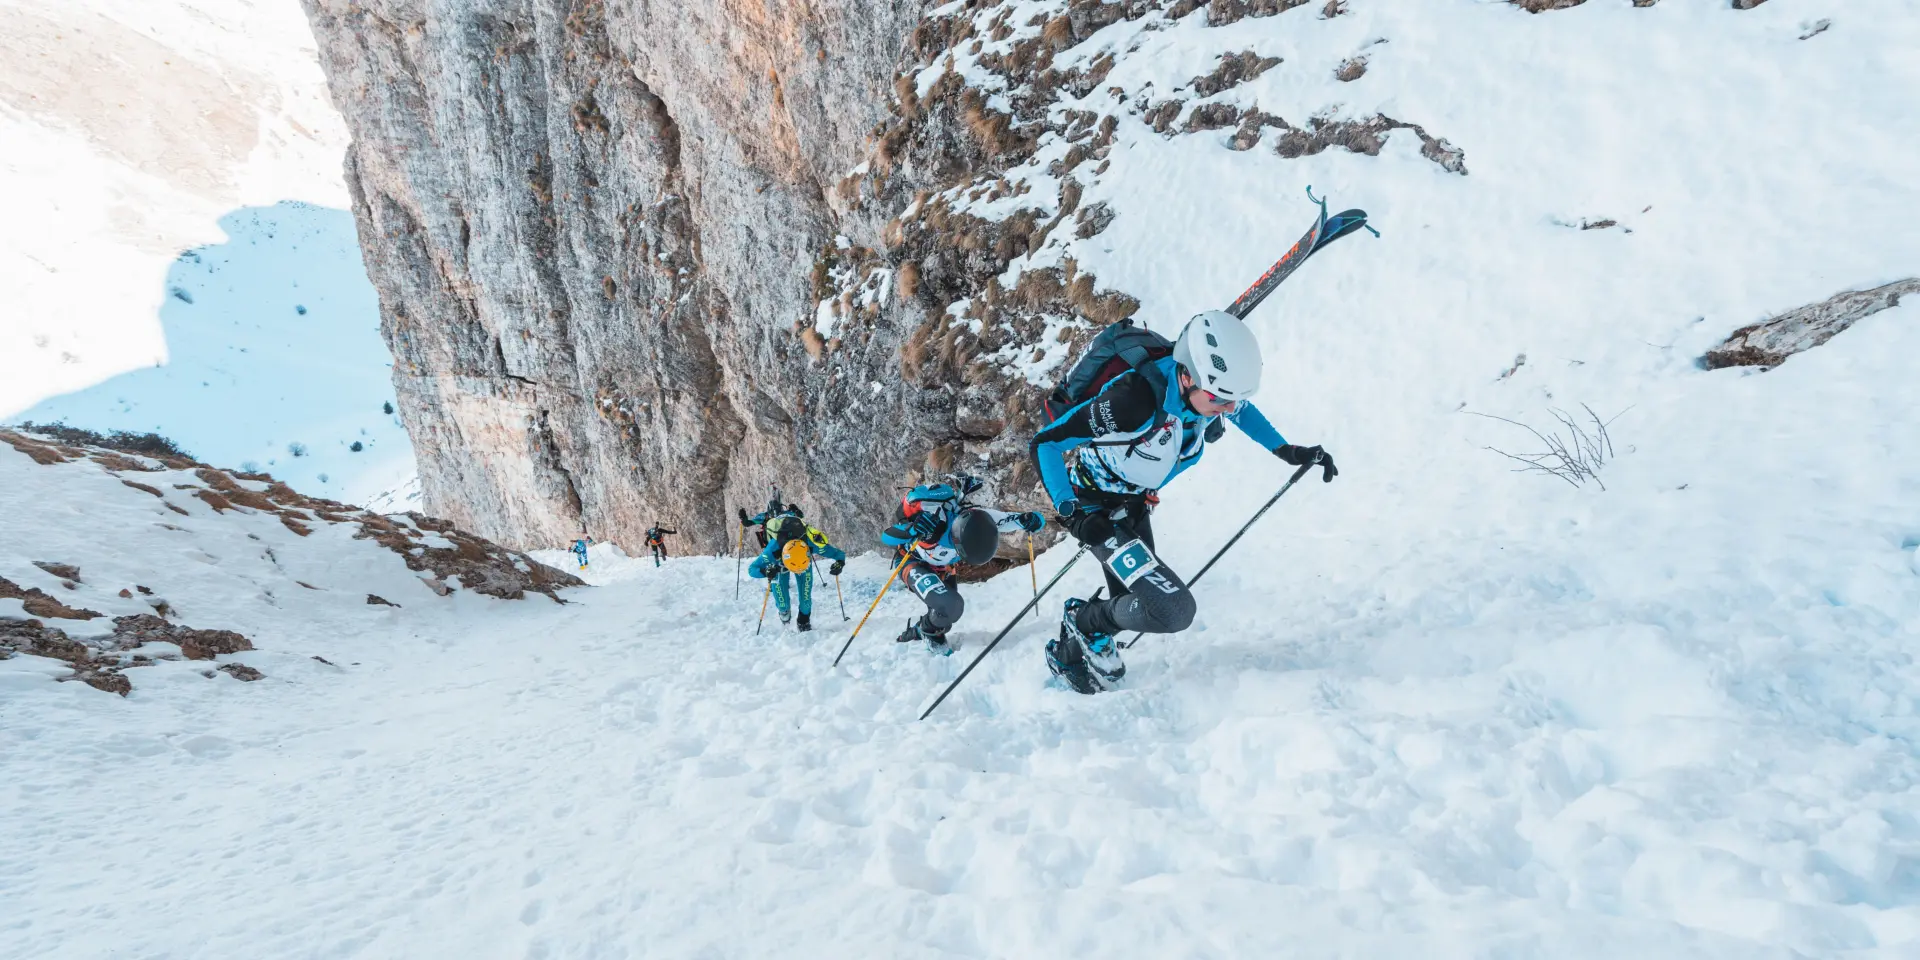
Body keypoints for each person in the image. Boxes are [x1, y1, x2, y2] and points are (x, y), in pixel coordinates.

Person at [1028, 311, 1336, 693]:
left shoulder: (1208, 392)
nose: (1228, 408)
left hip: (1133, 503)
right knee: (1168, 611)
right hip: (1096, 510)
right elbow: (1046, 444)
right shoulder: (1133, 403)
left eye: (1232, 399)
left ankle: (1079, 638)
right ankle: (1083, 620)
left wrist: (1287, 450)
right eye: (1220, 399)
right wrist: (1072, 513)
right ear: (1186, 376)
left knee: (1131, 604)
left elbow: (1241, 410)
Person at [879, 475, 1045, 655]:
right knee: (950, 607)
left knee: (945, 618)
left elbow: (1011, 520)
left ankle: (920, 630)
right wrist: (913, 529)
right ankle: (928, 632)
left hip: (943, 568)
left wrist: (1031, 519)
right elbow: (887, 536)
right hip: (913, 562)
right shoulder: (931, 523)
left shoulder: (979, 519)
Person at [748, 508, 846, 632]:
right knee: (783, 604)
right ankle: (784, 615)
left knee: (805, 600)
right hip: (779, 566)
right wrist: (766, 571)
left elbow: (838, 554)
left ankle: (803, 621)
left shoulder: (811, 542)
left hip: (804, 562)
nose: (797, 571)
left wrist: (840, 563)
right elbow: (752, 569)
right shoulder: (773, 549)